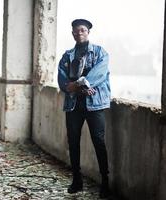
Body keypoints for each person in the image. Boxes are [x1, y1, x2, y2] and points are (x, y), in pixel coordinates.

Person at [57, 19, 111, 198]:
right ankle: (77, 180)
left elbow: (100, 74)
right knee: (73, 141)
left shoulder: (100, 53)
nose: (79, 33)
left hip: (95, 104)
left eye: (82, 30)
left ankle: (105, 182)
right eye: (76, 31)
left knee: (99, 141)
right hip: (73, 105)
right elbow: (62, 80)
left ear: (88, 32)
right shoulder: (67, 55)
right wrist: (78, 86)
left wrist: (80, 83)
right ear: (72, 33)